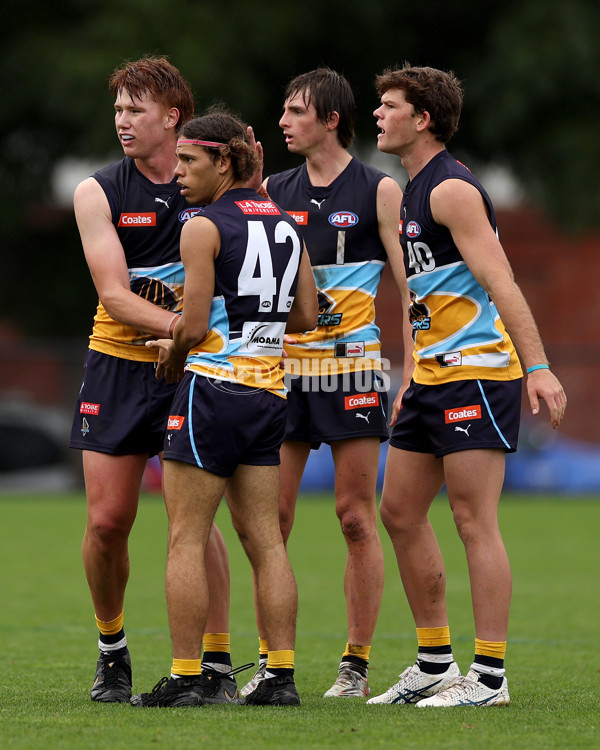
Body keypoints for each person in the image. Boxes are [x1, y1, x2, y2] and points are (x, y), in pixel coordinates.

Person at [367, 64, 567, 708]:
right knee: (397, 511)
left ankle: (488, 679)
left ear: (422, 119)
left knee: (472, 520)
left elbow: (503, 283)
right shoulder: (411, 189)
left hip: (478, 376)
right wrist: (412, 371)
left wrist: (537, 368)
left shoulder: (452, 190)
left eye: (389, 105)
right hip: (430, 379)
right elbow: (428, 296)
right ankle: (433, 663)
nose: (378, 114)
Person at [129, 109, 318, 708]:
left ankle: (189, 678)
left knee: (185, 536)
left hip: (211, 390)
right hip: (267, 394)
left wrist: (172, 346)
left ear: (226, 160)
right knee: (266, 540)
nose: (179, 173)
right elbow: (308, 318)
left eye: (190, 161)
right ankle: (280, 677)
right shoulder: (289, 226)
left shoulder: (202, 227)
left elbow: (195, 318)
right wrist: (253, 319)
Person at [241, 68, 412, 700]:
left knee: (354, 518)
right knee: (272, 520)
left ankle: (356, 665)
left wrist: (415, 366)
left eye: (295, 111)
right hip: (283, 372)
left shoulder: (379, 189)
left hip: (353, 372)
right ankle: (271, 662)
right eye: (282, 111)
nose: (283, 121)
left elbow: (409, 287)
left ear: (331, 118)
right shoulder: (272, 188)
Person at [69, 57, 234, 704]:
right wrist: (183, 327)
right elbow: (113, 295)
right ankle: (112, 649)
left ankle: (214, 663)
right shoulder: (99, 191)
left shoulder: (214, 185)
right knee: (108, 521)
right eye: (117, 111)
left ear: (173, 117)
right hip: (118, 365)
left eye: (136, 110)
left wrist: (190, 343)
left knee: (194, 523)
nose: (123, 122)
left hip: (191, 369)